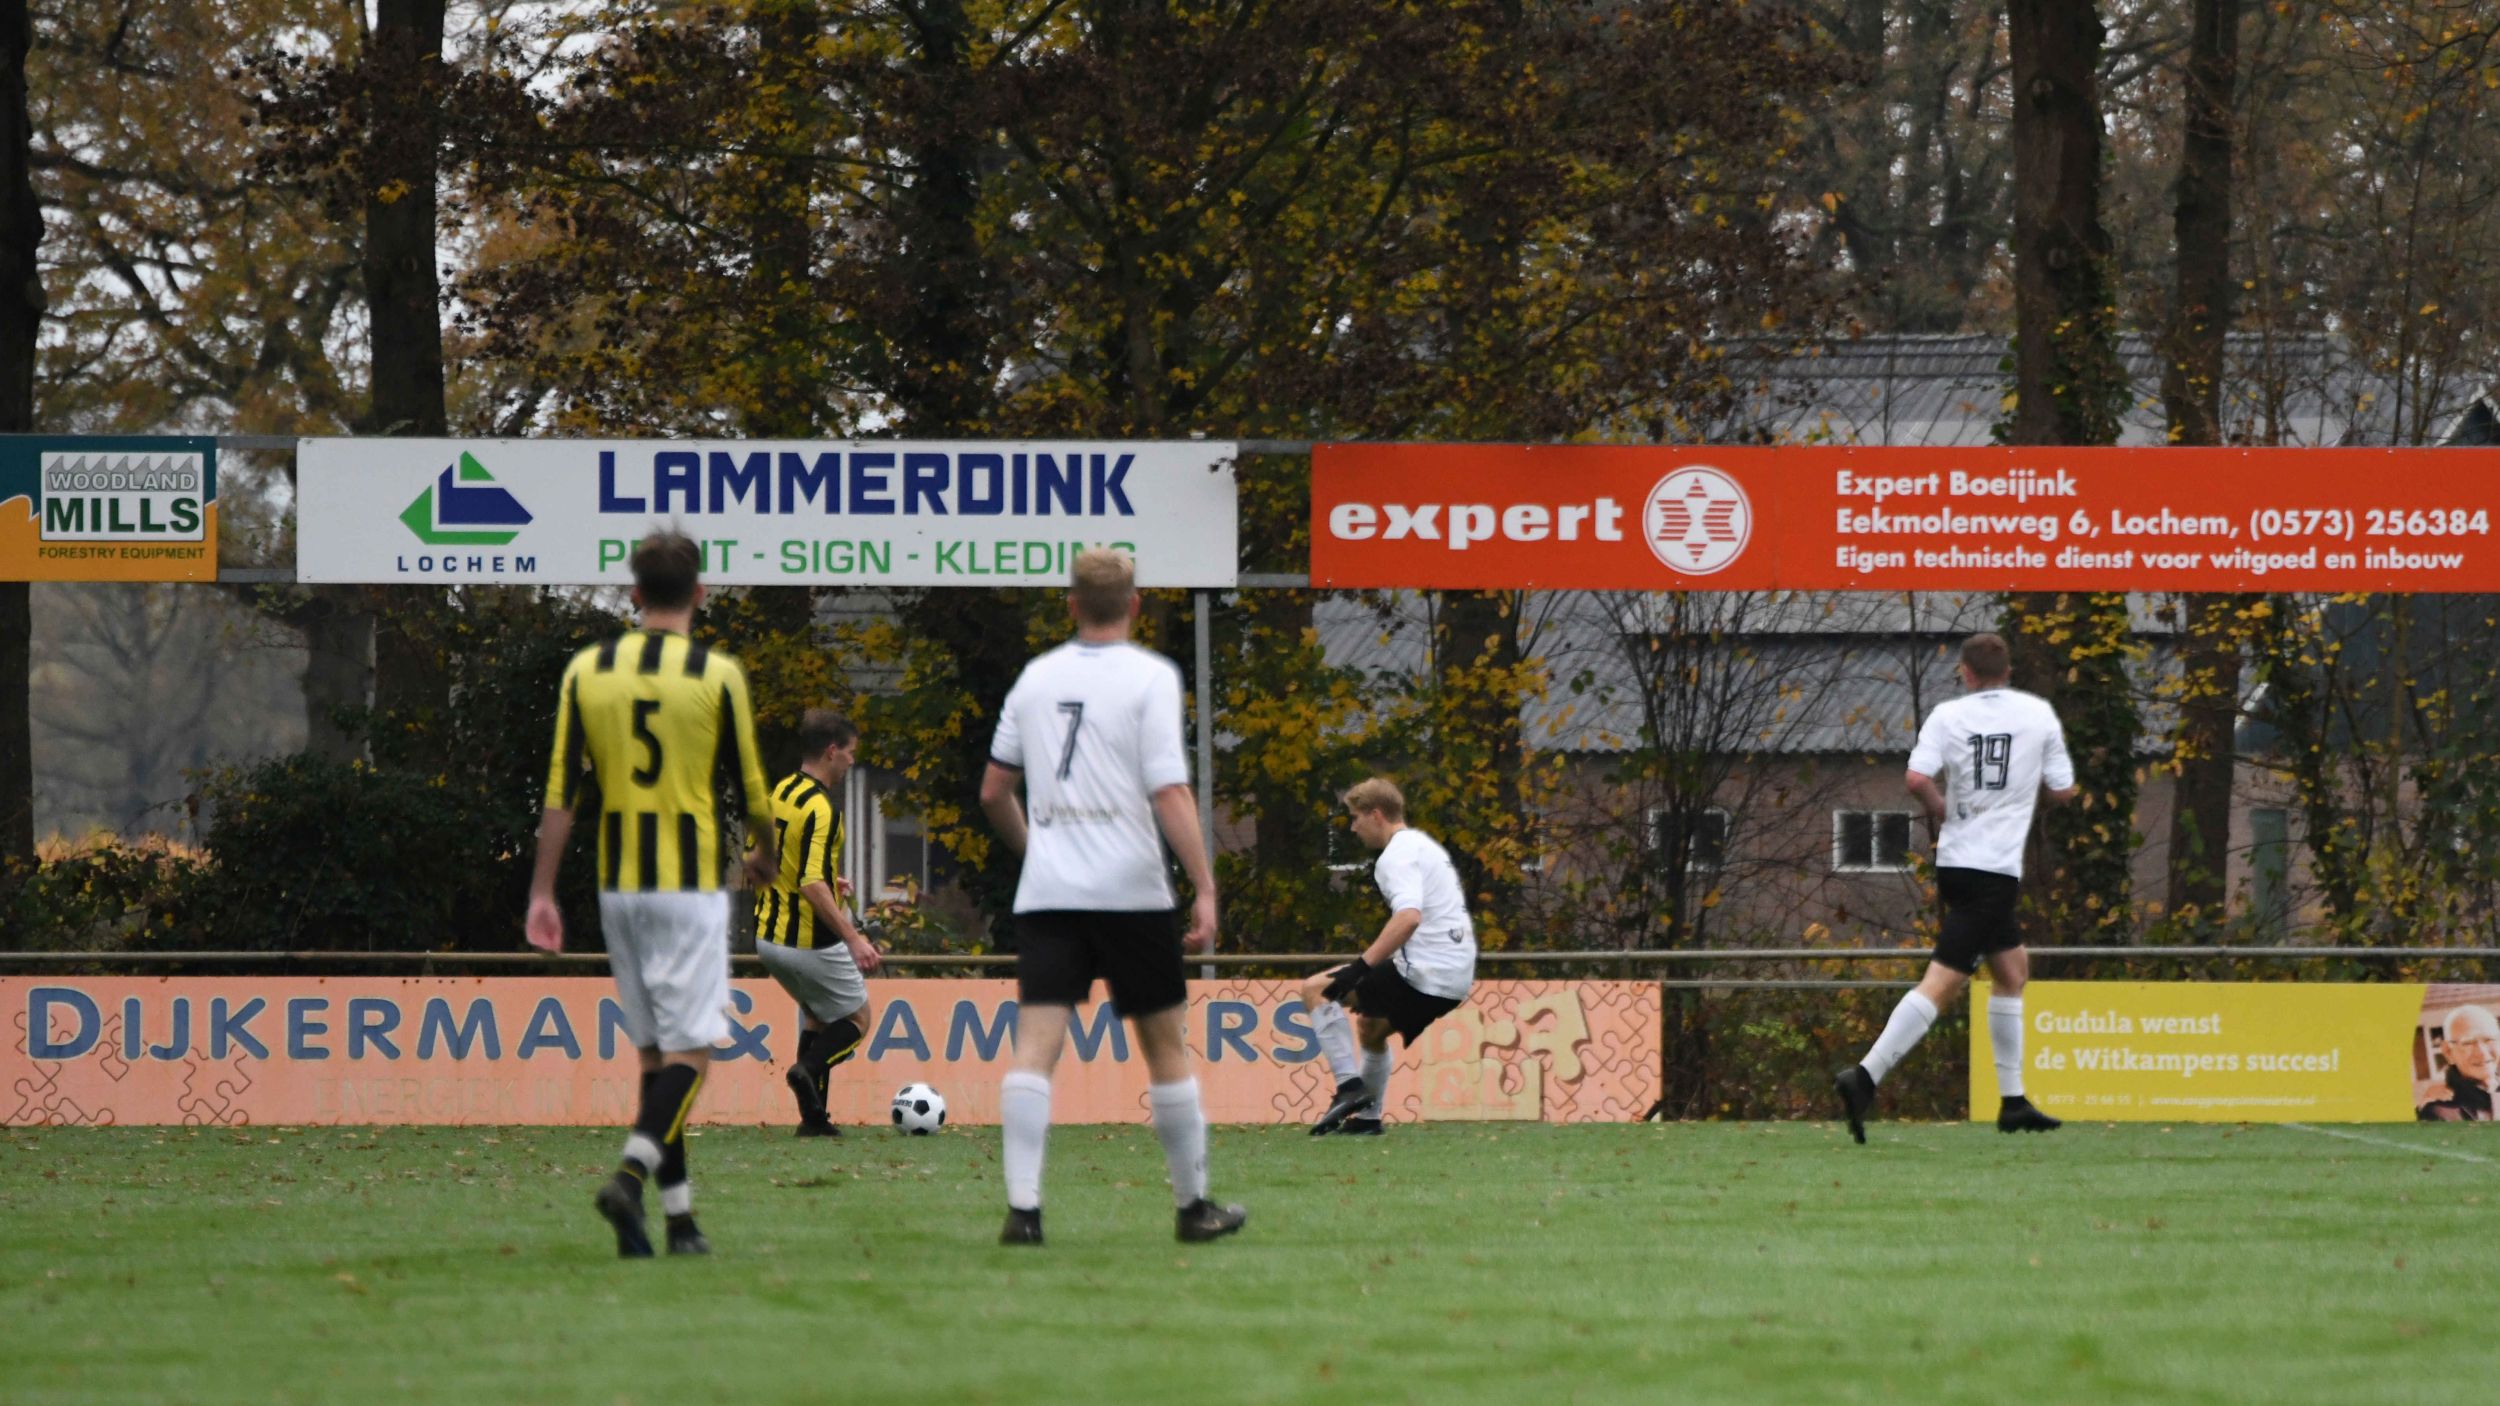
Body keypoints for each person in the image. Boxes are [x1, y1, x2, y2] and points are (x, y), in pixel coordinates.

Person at [977, 546, 1245, 1246]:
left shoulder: (1036, 678)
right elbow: (1169, 790)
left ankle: (1024, 1212)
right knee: (1165, 1049)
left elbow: (994, 790)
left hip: (1051, 896)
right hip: (1132, 892)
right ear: (1135, 605)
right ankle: (1192, 1207)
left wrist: (1038, 851)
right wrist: (1205, 885)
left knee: (1035, 1047)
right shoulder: (1150, 676)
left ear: (1070, 604)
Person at [526, 529, 775, 1257]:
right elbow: (753, 787)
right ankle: (630, 1178)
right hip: (688, 885)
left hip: (619, 887)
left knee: (653, 1057)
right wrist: (764, 852)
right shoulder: (717, 674)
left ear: (634, 594)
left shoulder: (588, 669)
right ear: (700, 593)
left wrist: (542, 891)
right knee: (692, 1054)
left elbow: (560, 790)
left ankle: (678, 1224)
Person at [1834, 631, 2076, 1143]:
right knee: (1942, 983)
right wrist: (2026, 789)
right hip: (1994, 870)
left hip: (1958, 863)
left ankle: (2013, 1102)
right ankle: (1865, 1076)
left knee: (2012, 971)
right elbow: (2063, 790)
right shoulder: (2038, 715)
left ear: (1966, 673)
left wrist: (1942, 808)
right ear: (2008, 671)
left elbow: (1916, 778)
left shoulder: (1948, 715)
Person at [1304, 778, 1477, 1136]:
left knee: (1315, 990)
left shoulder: (1395, 856)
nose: (1353, 828)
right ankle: (1367, 1120)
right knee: (1371, 1029)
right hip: (1456, 975)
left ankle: (1349, 1087)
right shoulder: (1423, 845)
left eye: (1355, 818)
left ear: (1376, 815)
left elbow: (1408, 917)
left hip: (1426, 973)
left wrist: (1360, 968)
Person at [753, 709, 883, 1137]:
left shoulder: (781, 791)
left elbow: (761, 860)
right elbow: (810, 883)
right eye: (850, 752)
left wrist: (830, 880)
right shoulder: (822, 807)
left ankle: (813, 1120)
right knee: (857, 1018)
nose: (851, 761)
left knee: (818, 1017)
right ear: (831, 751)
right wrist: (854, 939)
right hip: (809, 941)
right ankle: (806, 1069)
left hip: (768, 938)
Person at [2417, 1005, 2500, 1122]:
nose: (2482, 1052)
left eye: (2489, 1040)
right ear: (2448, 1052)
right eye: (2468, 1043)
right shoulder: (2439, 1110)